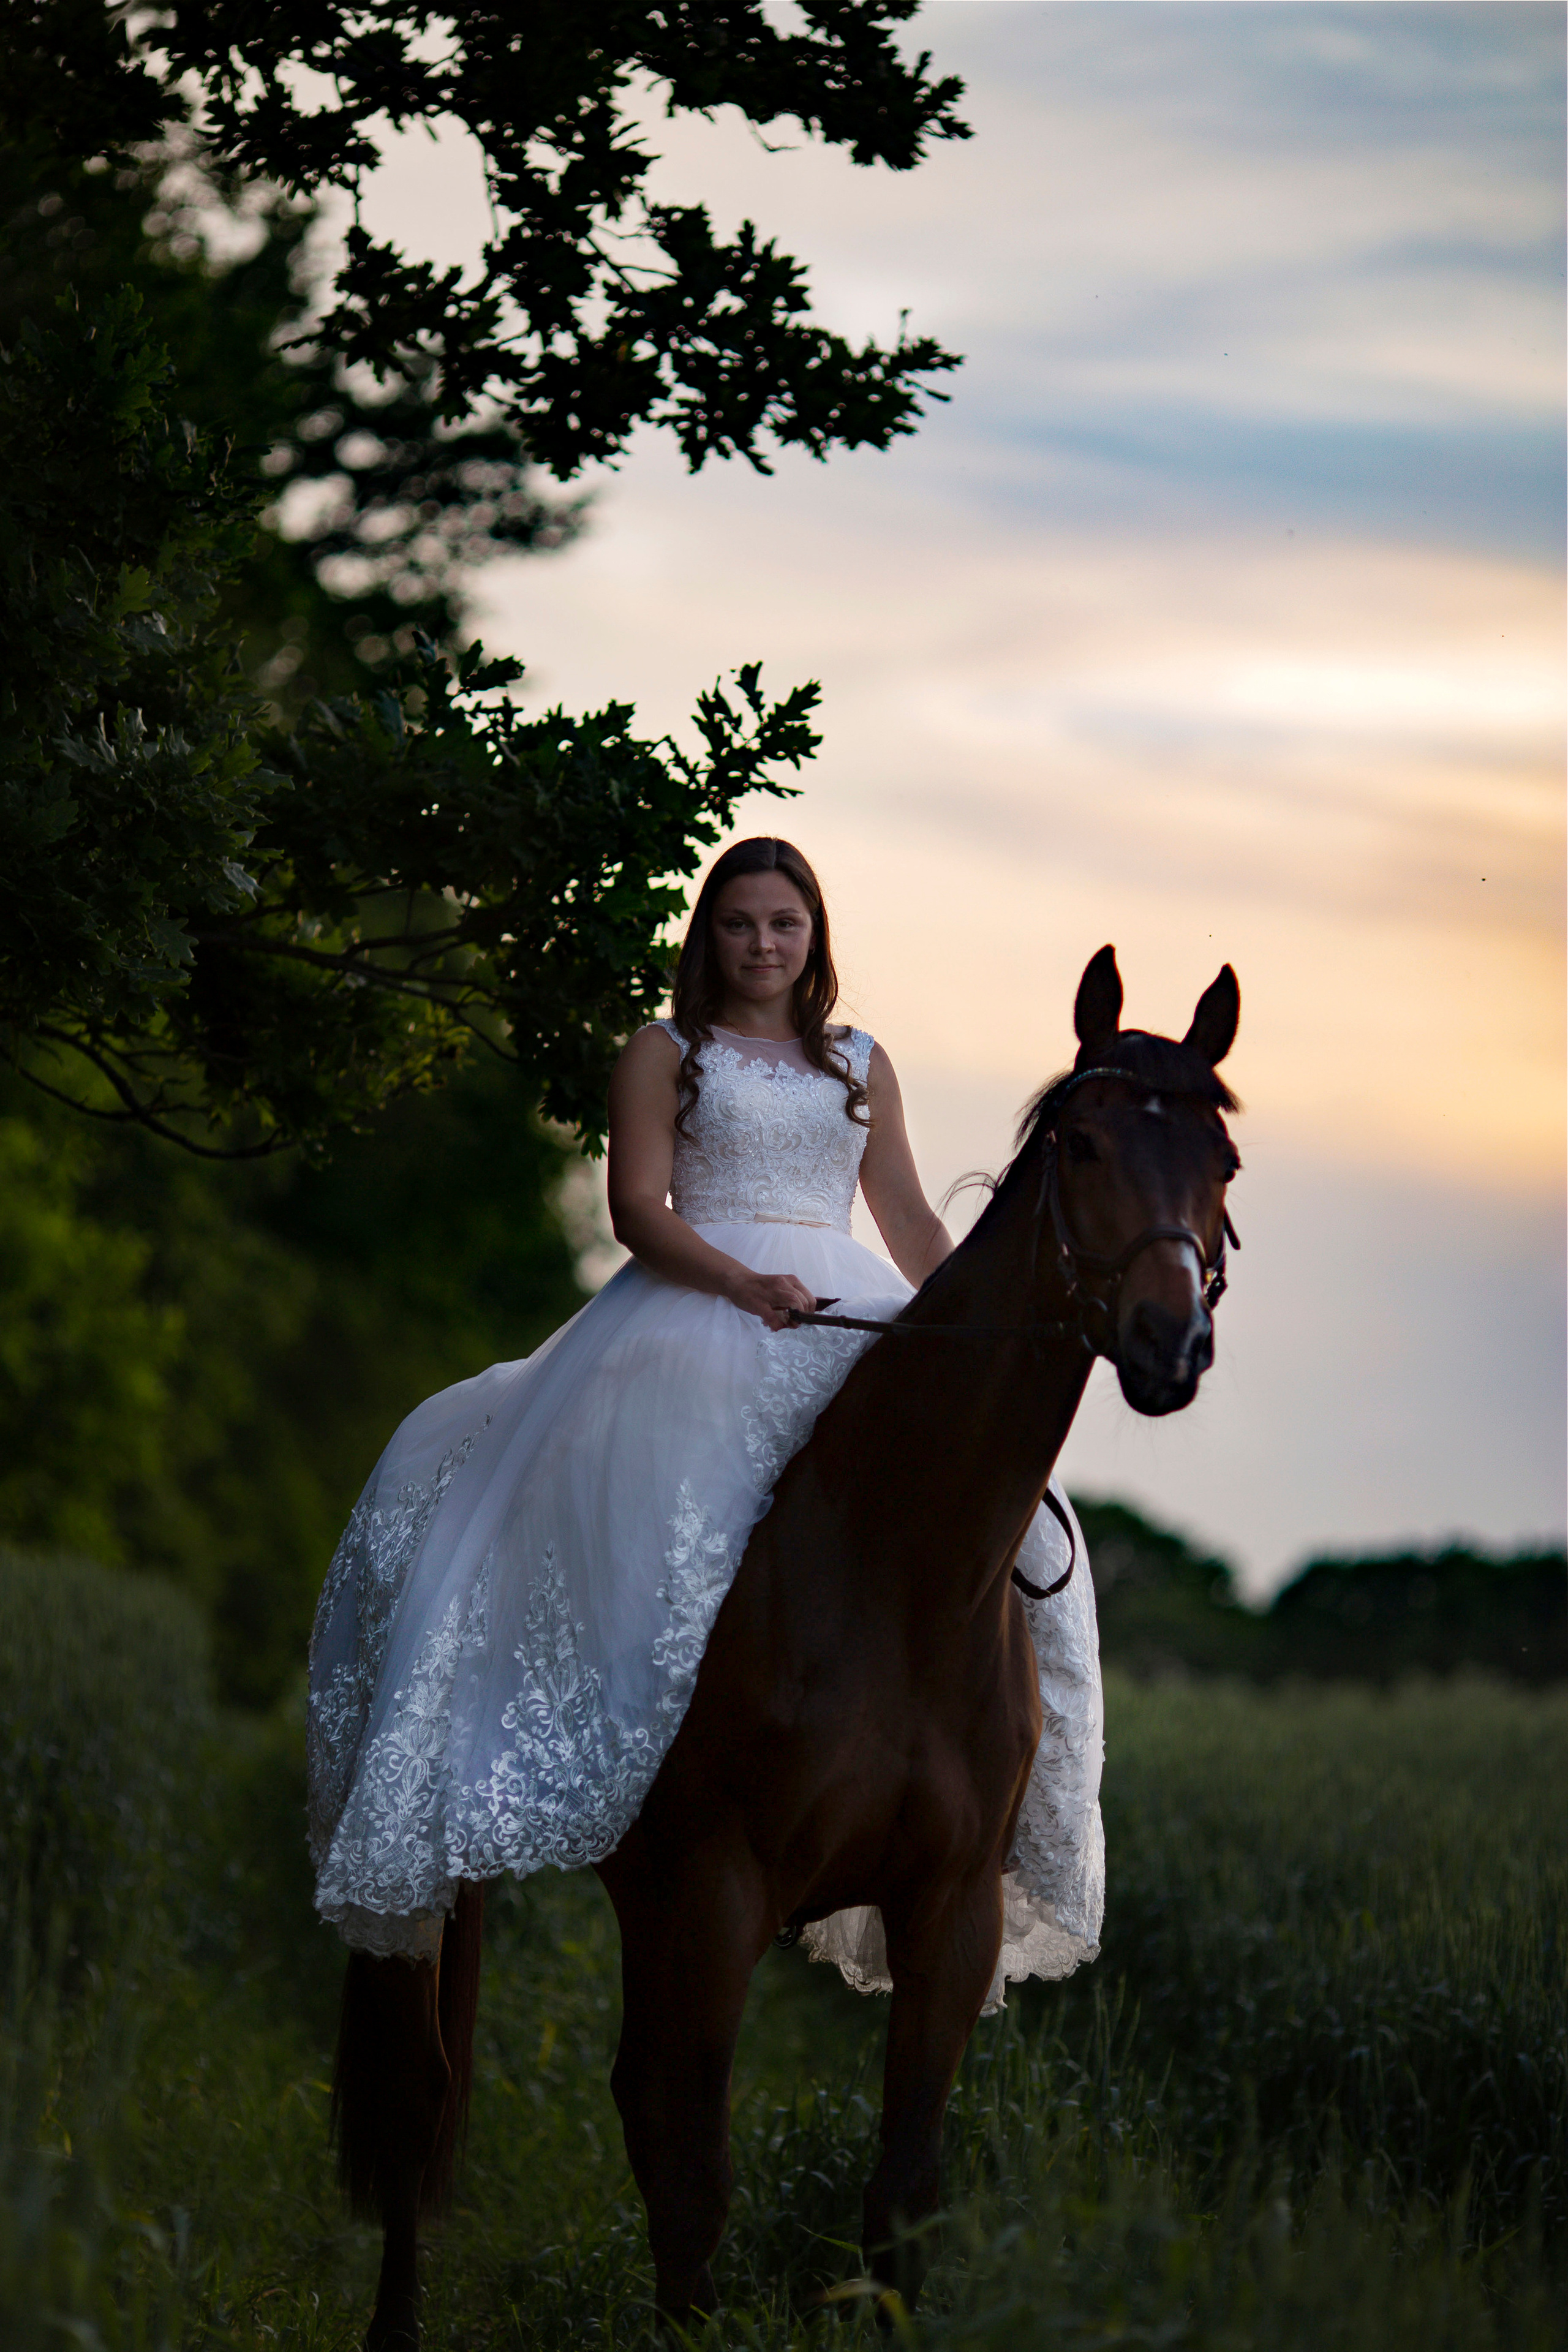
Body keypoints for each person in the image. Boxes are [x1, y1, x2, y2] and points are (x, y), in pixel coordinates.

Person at [307, 838, 1103, 2005]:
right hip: (698, 1301)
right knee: (664, 1520)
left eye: (785, 924)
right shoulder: (665, 1051)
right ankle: (641, 1762)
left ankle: (1019, 1814)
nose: (764, 946)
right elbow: (637, 1208)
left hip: (848, 1305)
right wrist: (741, 1284)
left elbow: (909, 1223)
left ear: (814, 938)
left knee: (1029, 1536)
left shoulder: (859, 1063)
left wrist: (975, 1349)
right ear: (708, 935)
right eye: (740, 924)